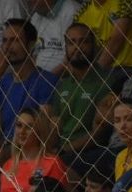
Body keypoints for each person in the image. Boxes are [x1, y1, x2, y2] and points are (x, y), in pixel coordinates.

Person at [0, 19, 59, 155]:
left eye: (15, 40)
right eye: (5, 41)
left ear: (30, 45)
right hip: (2, 150)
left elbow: (44, 129)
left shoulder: (46, 81)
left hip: (31, 150)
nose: (8, 47)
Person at [50, 23, 112, 169]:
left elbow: (99, 133)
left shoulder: (106, 82)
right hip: (60, 152)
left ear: (94, 46)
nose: (77, 47)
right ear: (65, 48)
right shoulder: (63, 85)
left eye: (83, 41)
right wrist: (48, 150)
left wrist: (65, 150)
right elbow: (55, 123)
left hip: (89, 153)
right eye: (71, 43)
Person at [77, 0, 132, 69]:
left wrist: (97, 71)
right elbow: (74, 45)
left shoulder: (123, 1)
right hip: (106, 71)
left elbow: (117, 39)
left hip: (130, 67)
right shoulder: (83, 11)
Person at [28, 0, 83, 73]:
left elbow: (73, 56)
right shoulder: (36, 16)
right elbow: (33, 54)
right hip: (39, 77)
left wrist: (49, 78)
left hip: (64, 78)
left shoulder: (72, 10)